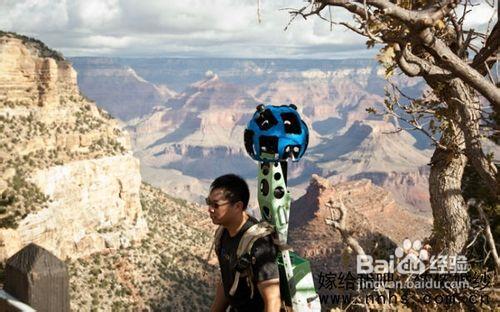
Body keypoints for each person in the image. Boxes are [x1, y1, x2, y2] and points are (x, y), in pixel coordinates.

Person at [208, 174, 281, 312]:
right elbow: (227, 282)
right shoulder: (222, 233)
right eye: (209, 202)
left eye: (216, 205)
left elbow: (273, 301)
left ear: (238, 206)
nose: (210, 209)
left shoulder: (259, 244)